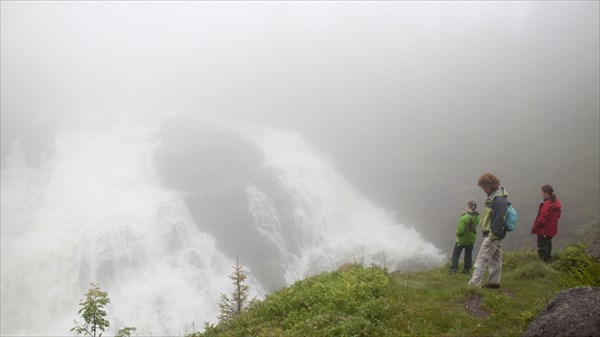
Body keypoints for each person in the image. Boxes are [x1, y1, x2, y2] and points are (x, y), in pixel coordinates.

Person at [468, 172, 508, 289]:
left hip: (494, 234)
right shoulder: (495, 196)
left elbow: (498, 218)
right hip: (497, 234)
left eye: (484, 187)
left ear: (491, 185)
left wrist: (492, 234)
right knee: (495, 259)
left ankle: (473, 286)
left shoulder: (498, 199)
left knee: (481, 259)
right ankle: (493, 283)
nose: (483, 189)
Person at [531, 184, 562, 262]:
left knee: (542, 246)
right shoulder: (556, 202)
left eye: (543, 192)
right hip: (551, 228)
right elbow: (558, 215)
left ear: (547, 193)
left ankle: (543, 264)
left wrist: (535, 226)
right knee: (548, 244)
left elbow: (542, 218)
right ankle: (548, 260)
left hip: (544, 229)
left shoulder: (547, 204)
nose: (542, 194)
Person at [450, 200, 480, 274]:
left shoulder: (463, 218)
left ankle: (454, 269)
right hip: (471, 239)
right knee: (468, 254)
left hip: (462, 240)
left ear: (468, 207)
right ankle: (467, 269)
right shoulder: (477, 217)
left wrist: (457, 233)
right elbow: (471, 219)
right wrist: (465, 214)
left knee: (456, 254)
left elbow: (461, 230)